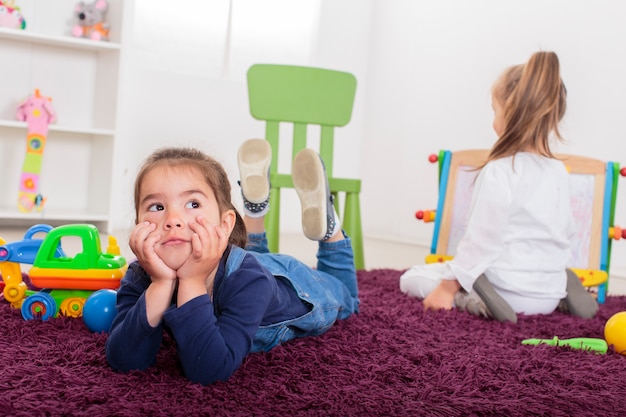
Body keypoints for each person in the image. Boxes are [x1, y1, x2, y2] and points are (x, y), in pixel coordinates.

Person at [105, 139, 359, 385]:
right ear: (138, 224)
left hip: (289, 282)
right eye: (157, 207)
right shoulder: (140, 273)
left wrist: (192, 281)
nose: (172, 219)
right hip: (240, 258)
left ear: (225, 224)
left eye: (192, 203)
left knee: (346, 297)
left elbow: (210, 370)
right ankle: (255, 211)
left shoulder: (250, 281)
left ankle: (331, 230)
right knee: (248, 255)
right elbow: (124, 360)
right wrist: (160, 284)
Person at [399, 51, 598, 323]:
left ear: (514, 115)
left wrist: (447, 288)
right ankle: (560, 288)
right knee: (526, 264)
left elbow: (481, 240)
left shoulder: (501, 170)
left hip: (507, 293)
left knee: (411, 279)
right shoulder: (557, 171)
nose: (493, 119)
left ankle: (467, 298)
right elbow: (566, 232)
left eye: (495, 111)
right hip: (549, 291)